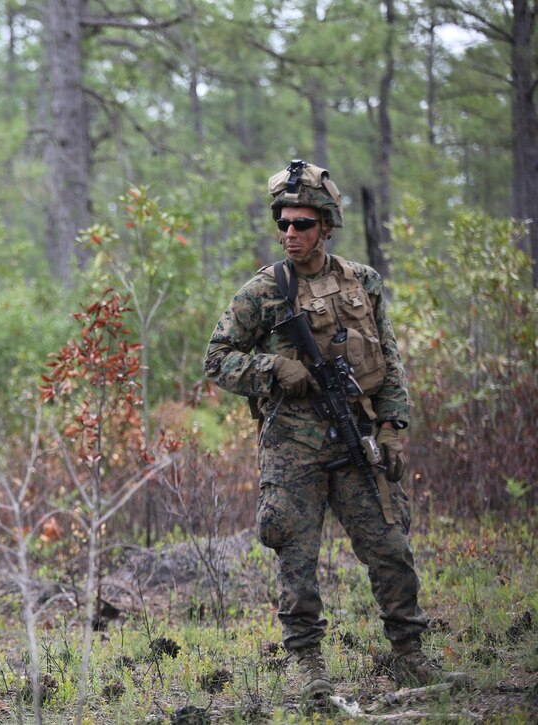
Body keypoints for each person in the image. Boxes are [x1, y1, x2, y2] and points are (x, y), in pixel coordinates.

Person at [203, 160, 469, 701]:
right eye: (283, 223)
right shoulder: (262, 293)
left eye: (302, 223)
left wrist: (393, 425)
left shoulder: (362, 282)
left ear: (326, 225)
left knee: (391, 547)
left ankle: (411, 658)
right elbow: (216, 359)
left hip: (356, 436)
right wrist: (272, 369)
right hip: (291, 449)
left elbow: (388, 361)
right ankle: (309, 670)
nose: (290, 234)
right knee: (296, 561)